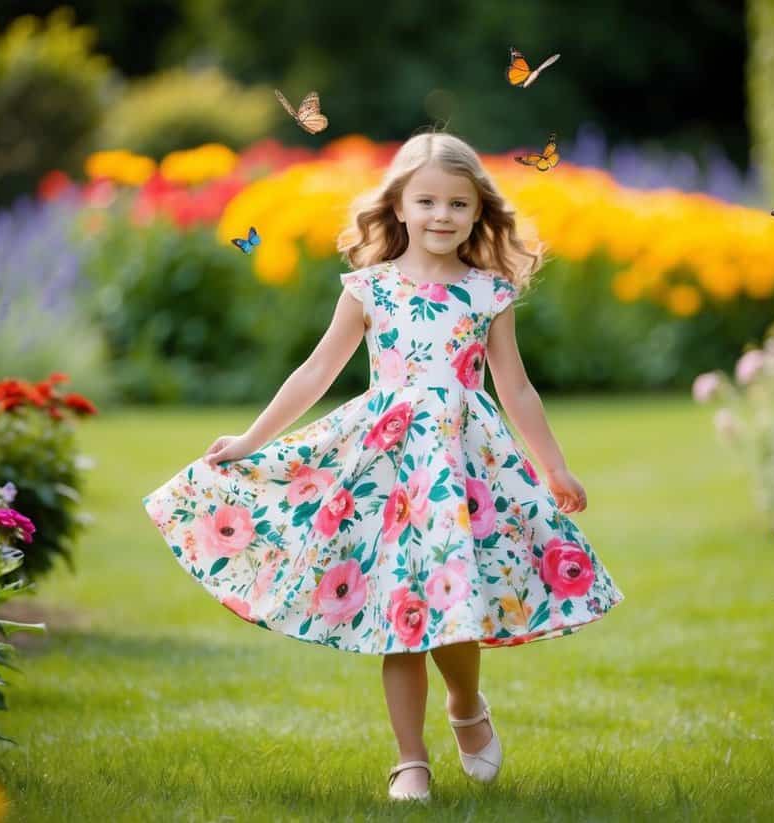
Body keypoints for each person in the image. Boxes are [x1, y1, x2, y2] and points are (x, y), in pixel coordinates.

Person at [142, 131, 624, 802]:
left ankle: (465, 704)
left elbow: (515, 389)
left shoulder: (488, 293)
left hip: (462, 471)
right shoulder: (370, 289)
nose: (441, 216)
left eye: (458, 204)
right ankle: (410, 760)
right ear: (397, 205)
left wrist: (556, 467)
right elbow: (316, 372)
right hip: (386, 470)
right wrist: (252, 439)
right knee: (401, 612)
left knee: (454, 604)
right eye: (426, 200)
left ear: (478, 212)